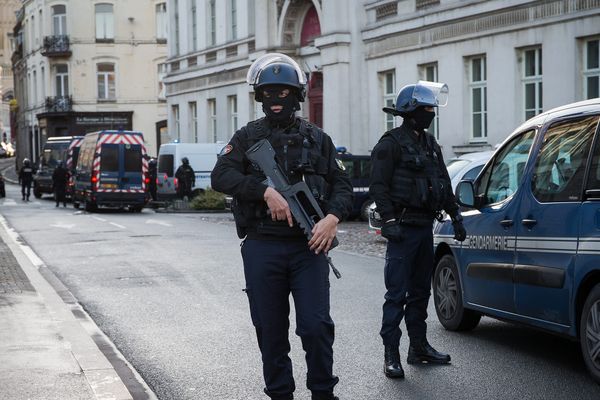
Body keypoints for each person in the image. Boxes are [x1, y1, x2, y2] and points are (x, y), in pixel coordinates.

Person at [211, 53, 353, 400]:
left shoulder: (318, 138)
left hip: (309, 247)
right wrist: (264, 192)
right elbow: (221, 175)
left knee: (316, 326)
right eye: (270, 93)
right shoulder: (247, 138)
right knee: (270, 330)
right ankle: (280, 394)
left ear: (297, 96)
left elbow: (342, 186)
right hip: (263, 246)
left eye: (284, 93)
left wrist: (332, 218)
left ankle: (323, 392)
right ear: (260, 97)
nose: (277, 101)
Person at [369, 81, 467, 379]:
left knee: (421, 292)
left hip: (425, 228)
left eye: (431, 109)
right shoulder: (390, 144)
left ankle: (418, 348)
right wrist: (388, 222)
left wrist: (456, 216)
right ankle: (391, 354)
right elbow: (378, 186)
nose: (430, 114)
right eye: (425, 109)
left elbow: (443, 183)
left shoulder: (429, 144)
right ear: (410, 112)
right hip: (401, 230)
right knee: (396, 294)